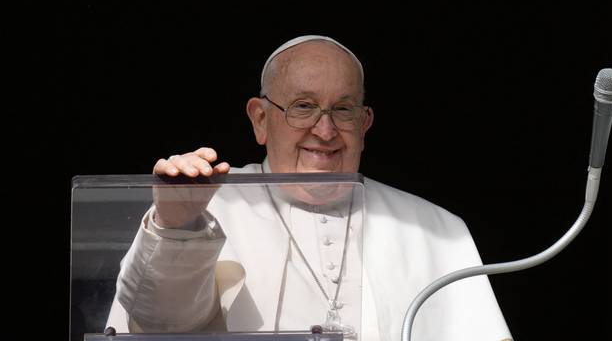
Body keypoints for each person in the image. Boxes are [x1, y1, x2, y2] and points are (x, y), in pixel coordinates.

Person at [106, 35, 513, 341]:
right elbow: (161, 322)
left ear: (365, 122)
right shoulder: (212, 204)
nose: (325, 130)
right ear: (261, 119)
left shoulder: (433, 229)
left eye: (343, 109)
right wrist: (176, 227)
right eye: (303, 106)